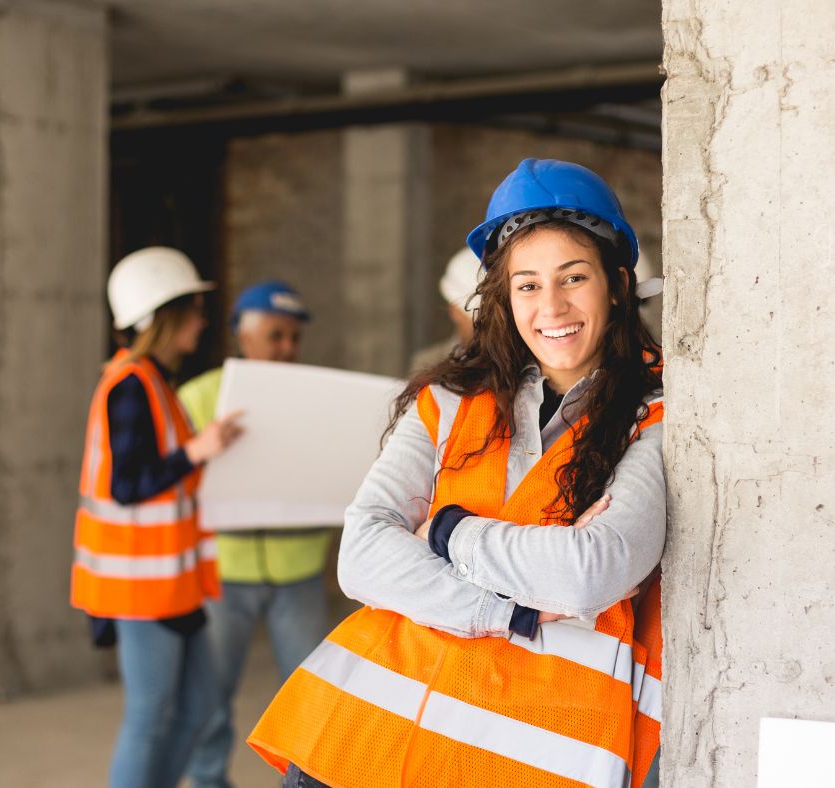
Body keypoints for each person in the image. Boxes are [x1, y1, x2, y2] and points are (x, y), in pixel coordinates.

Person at [247, 159, 665, 788]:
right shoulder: (448, 400)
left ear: (617, 282)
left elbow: (591, 570)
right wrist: (511, 613)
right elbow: (361, 556)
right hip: (361, 739)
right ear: (503, 296)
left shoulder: (657, 413)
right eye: (526, 285)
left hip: (527, 756)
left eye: (573, 278)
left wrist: (444, 531)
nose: (550, 305)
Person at [71, 246, 243, 788]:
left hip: (173, 583)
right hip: (140, 588)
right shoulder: (129, 386)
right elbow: (128, 486)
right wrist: (198, 451)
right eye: (192, 308)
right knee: (149, 719)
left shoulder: (153, 382)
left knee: (196, 707)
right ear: (163, 316)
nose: (201, 320)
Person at [180, 281, 333, 788]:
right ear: (243, 339)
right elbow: (173, 479)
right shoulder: (198, 398)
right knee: (209, 696)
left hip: (299, 570)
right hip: (224, 573)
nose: (287, 349)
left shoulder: (318, 398)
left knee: (312, 697)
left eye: (293, 338)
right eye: (275, 336)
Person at [409, 246, 483, 373]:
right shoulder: (427, 364)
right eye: (479, 318)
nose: (493, 328)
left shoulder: (522, 367)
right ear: (454, 309)